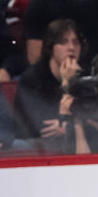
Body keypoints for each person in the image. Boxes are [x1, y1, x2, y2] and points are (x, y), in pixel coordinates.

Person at [12, 17, 80, 152]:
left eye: (75, 42)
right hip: (33, 142)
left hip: (71, 139)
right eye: (63, 42)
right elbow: (45, 126)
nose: (71, 48)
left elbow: (93, 116)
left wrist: (67, 126)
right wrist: (67, 84)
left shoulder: (84, 75)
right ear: (50, 47)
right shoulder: (32, 78)